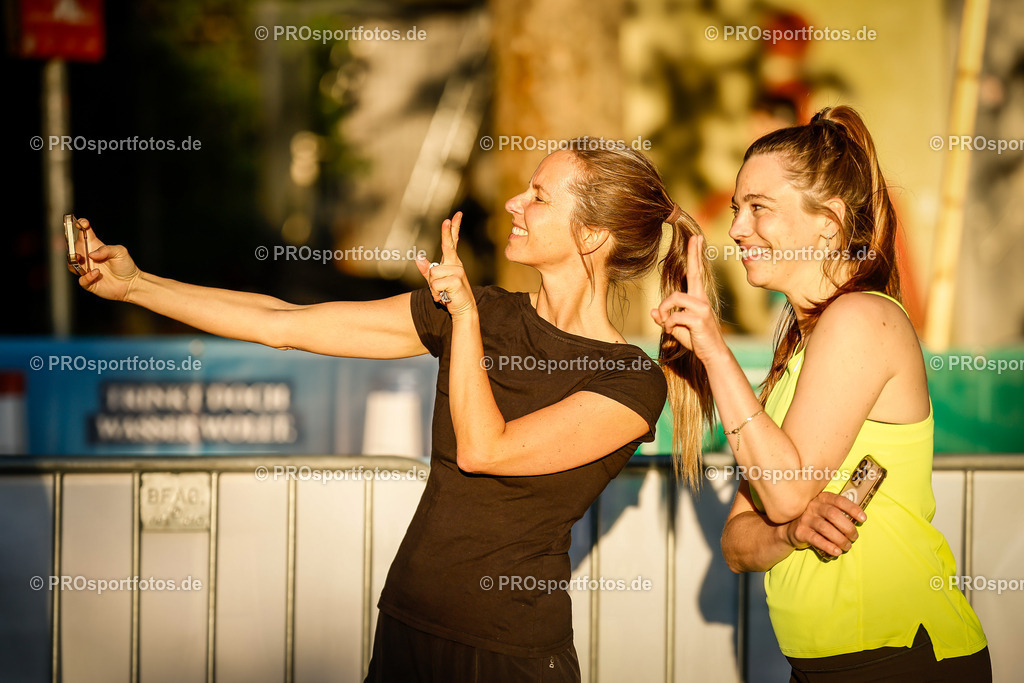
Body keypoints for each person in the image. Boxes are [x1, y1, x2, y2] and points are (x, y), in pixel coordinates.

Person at [71, 139, 717, 682]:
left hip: (509, 653)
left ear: (593, 234)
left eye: (539, 197)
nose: (514, 203)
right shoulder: (482, 310)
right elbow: (284, 323)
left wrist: (464, 319)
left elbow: (485, 449)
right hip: (406, 626)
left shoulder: (630, 381)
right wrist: (136, 285)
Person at [652, 106, 991, 681]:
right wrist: (791, 533)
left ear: (829, 223)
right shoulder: (795, 354)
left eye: (759, 207)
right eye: (736, 210)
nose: (737, 229)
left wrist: (713, 350)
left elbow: (784, 492)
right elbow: (737, 544)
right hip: (823, 666)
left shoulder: (861, 319)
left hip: (901, 658)